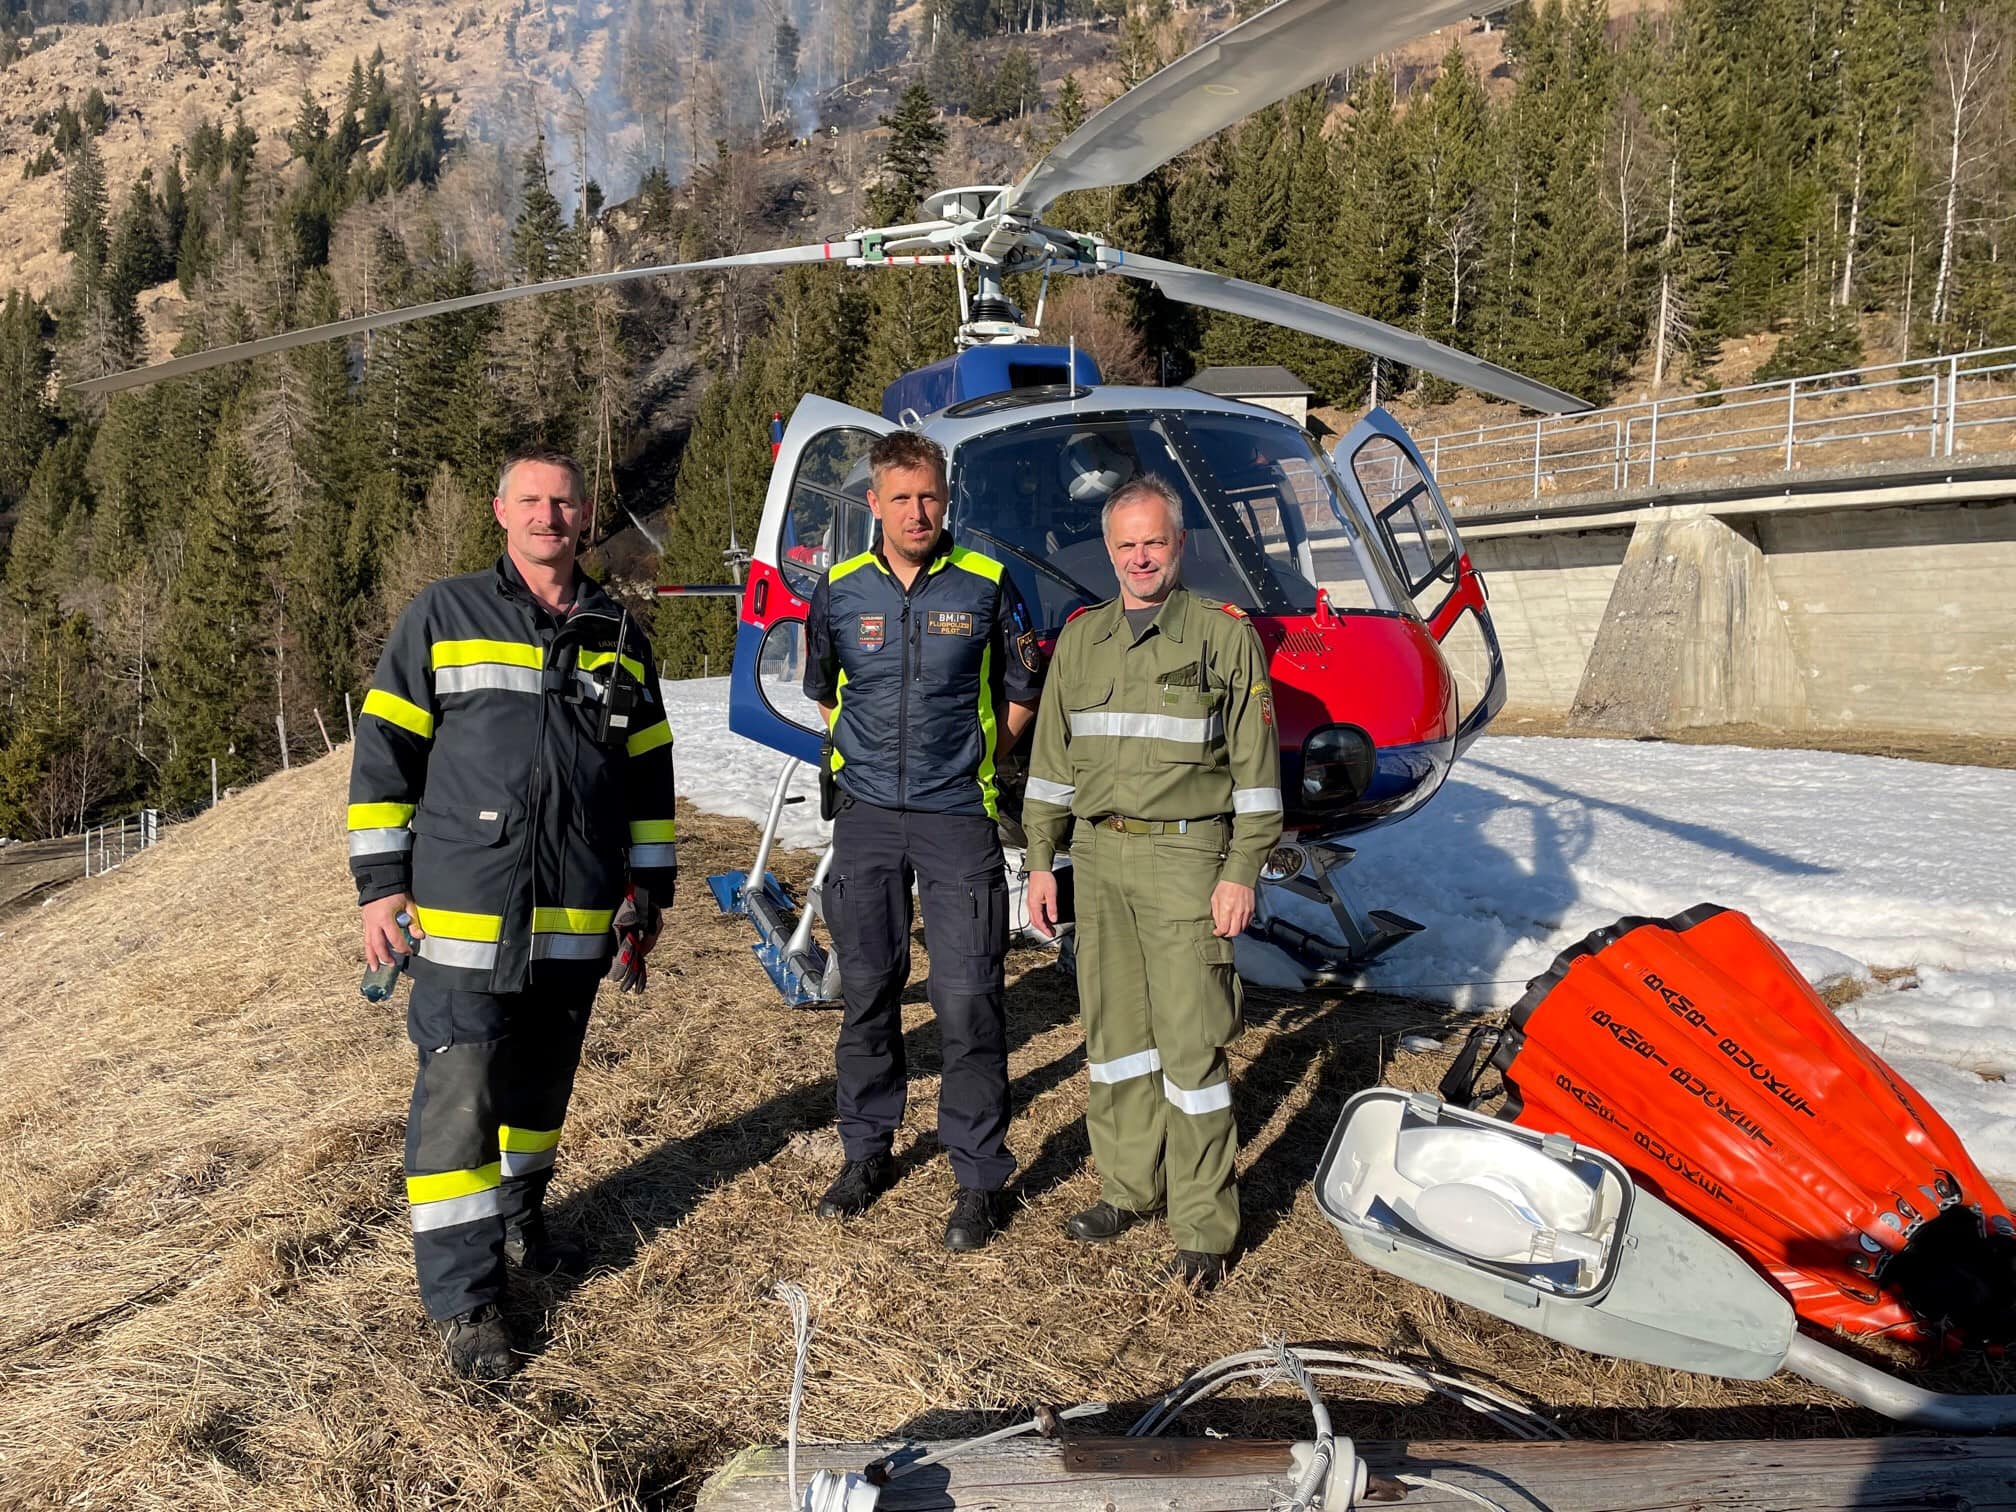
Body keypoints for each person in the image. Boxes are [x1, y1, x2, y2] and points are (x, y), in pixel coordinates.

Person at [348, 446, 678, 1380]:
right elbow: (384, 756)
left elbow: (647, 775)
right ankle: (467, 1300)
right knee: (460, 1103)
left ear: (586, 516)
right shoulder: (443, 616)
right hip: (462, 919)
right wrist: (380, 887)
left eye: (564, 503)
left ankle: (524, 1214)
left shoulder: (618, 634)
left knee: (537, 1094)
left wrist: (646, 890)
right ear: (500, 511)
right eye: (530, 501)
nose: (548, 517)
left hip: (574, 919)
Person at [1021, 474, 1283, 1288]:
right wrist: (1039, 860)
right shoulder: (1082, 642)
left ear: (1179, 546)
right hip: (1097, 862)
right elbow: (1051, 768)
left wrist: (1241, 871)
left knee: (1190, 1044)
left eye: (1155, 542)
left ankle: (1204, 1223)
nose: (1141, 558)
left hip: (1185, 860)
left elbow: (1258, 779)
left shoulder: (1221, 639)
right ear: (1110, 550)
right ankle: (1129, 1188)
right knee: (1115, 1042)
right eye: (1126, 545)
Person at [801, 430, 1043, 1251]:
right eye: (900, 498)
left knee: (969, 997)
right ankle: (866, 1152)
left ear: (949, 499)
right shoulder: (836, 591)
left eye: (929, 497)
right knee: (868, 989)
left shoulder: (987, 584)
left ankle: (979, 1176)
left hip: (954, 819)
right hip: (866, 818)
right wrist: (862, 763)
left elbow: (1019, 692)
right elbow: (828, 691)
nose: (916, 512)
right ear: (874, 503)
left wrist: (975, 762)